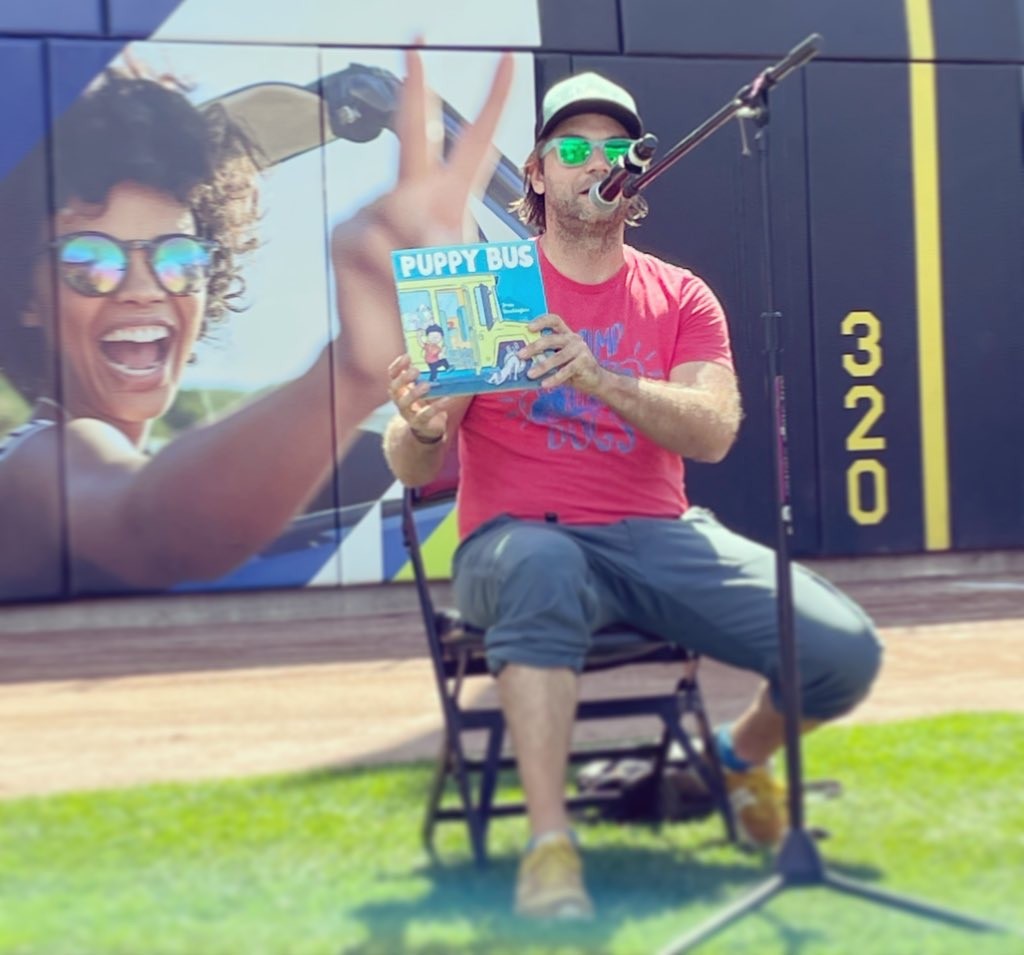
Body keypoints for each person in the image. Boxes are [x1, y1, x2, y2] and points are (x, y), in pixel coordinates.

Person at [383, 71, 883, 919]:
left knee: (844, 650)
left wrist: (601, 377)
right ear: (537, 171)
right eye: (574, 148)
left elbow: (714, 430)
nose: (597, 162)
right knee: (541, 565)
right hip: (517, 540)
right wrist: (421, 426)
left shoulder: (682, 294)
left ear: (638, 169)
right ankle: (550, 848)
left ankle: (731, 759)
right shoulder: (486, 286)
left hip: (656, 535)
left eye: (616, 148)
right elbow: (410, 459)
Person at [0, 50, 513, 598]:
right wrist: (347, 374)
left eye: (178, 257)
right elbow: (155, 530)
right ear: (25, 294)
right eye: (90, 262)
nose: (145, 289)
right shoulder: (36, 461)